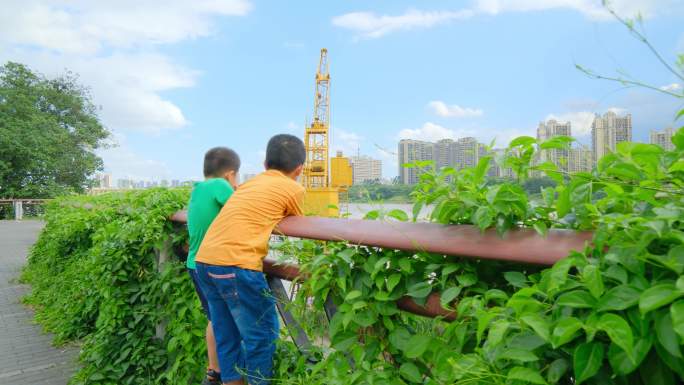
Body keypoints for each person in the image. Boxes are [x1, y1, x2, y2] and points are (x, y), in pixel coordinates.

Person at [195, 134, 306, 385]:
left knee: (226, 334)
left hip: (205, 260)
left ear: (265, 165)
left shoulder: (248, 185)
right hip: (235, 265)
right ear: (299, 169)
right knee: (261, 336)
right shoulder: (294, 188)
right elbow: (299, 221)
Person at [187, 147, 240, 385]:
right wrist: (236, 190)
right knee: (223, 319)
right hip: (212, 263)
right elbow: (242, 208)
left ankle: (214, 371)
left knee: (214, 317)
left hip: (194, 263)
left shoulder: (198, 189)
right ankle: (226, 372)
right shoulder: (220, 186)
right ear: (230, 174)